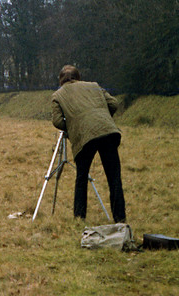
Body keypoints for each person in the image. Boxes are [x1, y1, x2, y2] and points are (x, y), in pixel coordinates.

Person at [51, 64, 126, 223]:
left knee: (81, 178)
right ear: (78, 76)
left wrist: (73, 126)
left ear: (61, 80)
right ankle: (120, 219)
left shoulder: (58, 95)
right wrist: (103, 118)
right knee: (114, 178)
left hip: (84, 138)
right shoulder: (94, 86)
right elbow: (113, 103)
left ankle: (80, 219)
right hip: (108, 132)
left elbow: (57, 121)